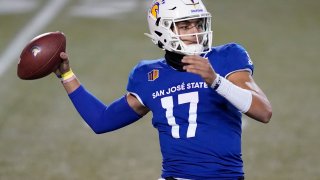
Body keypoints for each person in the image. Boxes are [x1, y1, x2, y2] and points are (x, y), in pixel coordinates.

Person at [55, 0, 272, 179]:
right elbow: (101, 121)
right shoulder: (148, 75)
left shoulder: (226, 57)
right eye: (185, 26)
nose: (195, 31)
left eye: (198, 24)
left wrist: (216, 80)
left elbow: (263, 112)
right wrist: (66, 75)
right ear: (162, 30)